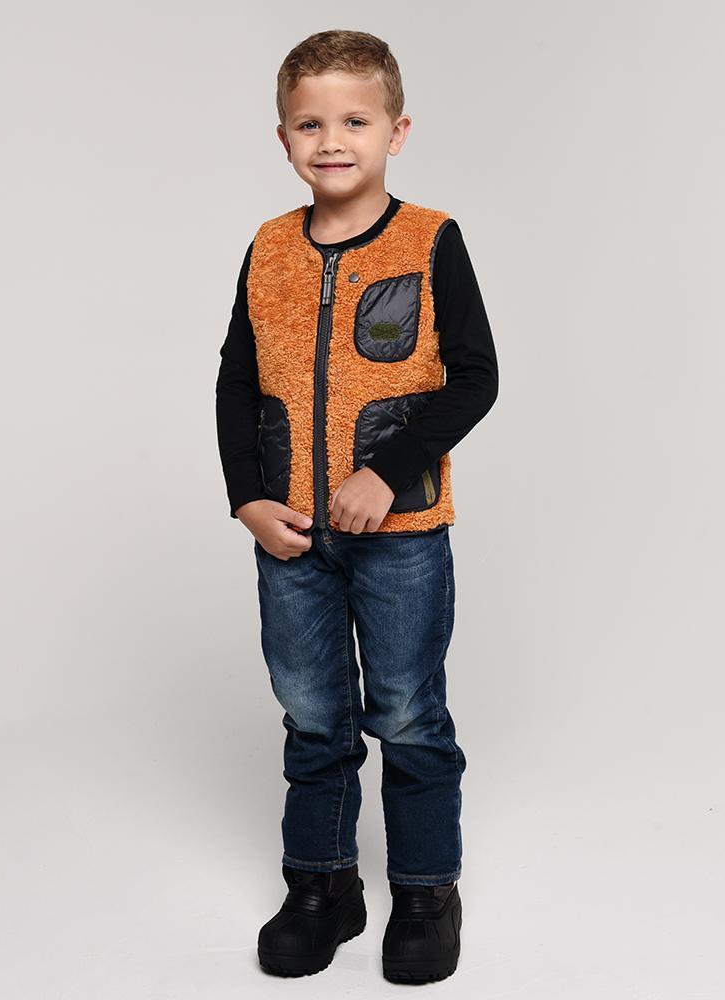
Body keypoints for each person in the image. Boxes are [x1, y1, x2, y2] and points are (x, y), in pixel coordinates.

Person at [215, 29, 498, 983]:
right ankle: (322, 886)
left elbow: (475, 377)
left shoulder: (431, 240)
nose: (331, 140)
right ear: (284, 138)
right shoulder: (269, 248)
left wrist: (387, 472)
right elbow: (237, 382)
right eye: (309, 124)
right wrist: (247, 498)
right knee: (311, 716)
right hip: (291, 536)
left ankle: (425, 891)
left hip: (401, 534)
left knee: (410, 713)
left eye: (354, 121)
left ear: (396, 131)